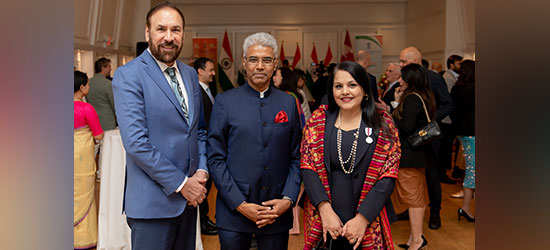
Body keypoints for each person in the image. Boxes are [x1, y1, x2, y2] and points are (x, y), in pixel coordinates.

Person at [112, 3, 208, 249]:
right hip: (152, 207)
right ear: (147, 33)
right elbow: (136, 144)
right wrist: (182, 184)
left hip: (189, 204)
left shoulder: (189, 74)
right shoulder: (129, 75)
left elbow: (198, 131)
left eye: (175, 30)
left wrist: (201, 173)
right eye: (161, 29)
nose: (169, 37)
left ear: (183, 34)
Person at [208, 32, 302, 250]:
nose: (260, 66)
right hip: (234, 213)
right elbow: (215, 158)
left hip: (276, 211)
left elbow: (297, 156)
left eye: (266, 60)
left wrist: (287, 200)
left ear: (275, 64)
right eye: (253, 60)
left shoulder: (288, 103)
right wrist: (240, 205)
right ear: (244, 63)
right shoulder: (225, 102)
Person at [301, 61, 400, 250]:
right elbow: (308, 166)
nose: (345, 91)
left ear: (364, 90)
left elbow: (388, 175)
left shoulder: (383, 123)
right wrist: (325, 210)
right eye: (338, 86)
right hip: (326, 218)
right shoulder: (318, 120)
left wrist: (362, 218)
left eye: (352, 85)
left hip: (368, 218)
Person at [398, 47, 453, 230]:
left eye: (403, 62)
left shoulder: (434, 78)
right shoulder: (408, 83)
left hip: (428, 137)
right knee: (416, 180)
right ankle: (413, 210)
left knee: (431, 176)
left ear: (414, 61)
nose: (400, 65)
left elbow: (447, 104)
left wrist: (428, 121)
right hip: (414, 136)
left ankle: (435, 212)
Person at [391, 64, 436, 250]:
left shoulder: (411, 98)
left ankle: (417, 239)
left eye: (402, 77)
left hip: (410, 154)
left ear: (410, 79)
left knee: (413, 197)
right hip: (420, 153)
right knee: (418, 194)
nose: (399, 80)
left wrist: (392, 112)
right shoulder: (424, 95)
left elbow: (407, 126)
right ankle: (414, 238)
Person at [74, 70, 104, 249]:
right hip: (81, 157)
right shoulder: (86, 108)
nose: (89, 87)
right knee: (84, 193)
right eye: (87, 84)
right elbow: (99, 135)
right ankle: (82, 239)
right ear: (81, 87)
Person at [192, 57, 218, 235]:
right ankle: (201, 222)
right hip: (204, 144)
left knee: (208, 185)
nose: (214, 73)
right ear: (200, 71)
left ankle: (204, 218)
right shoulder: (196, 92)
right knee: (203, 184)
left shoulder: (208, 91)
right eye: (211, 69)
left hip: (211, 143)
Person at [450, 60, 475, 222]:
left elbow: (452, 111)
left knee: (472, 169)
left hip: (462, 133)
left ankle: (465, 209)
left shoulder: (456, 88)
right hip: (474, 132)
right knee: (473, 171)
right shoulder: (475, 88)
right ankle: (465, 208)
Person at [87, 57, 117, 131]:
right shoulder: (108, 84)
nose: (110, 69)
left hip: (93, 122)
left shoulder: (88, 83)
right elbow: (114, 104)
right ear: (103, 68)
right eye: (109, 67)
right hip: (108, 123)